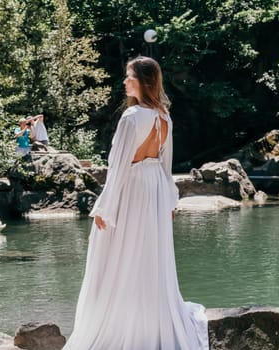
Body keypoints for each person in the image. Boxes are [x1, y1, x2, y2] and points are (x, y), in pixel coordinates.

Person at [62, 56, 209, 350]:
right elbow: (166, 166)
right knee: (148, 254)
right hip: (154, 189)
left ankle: (118, 323)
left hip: (132, 189)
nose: (125, 81)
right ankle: (149, 320)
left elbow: (118, 167)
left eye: (130, 76)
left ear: (144, 81)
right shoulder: (164, 116)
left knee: (116, 254)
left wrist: (104, 207)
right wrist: (169, 202)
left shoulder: (131, 118)